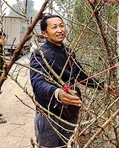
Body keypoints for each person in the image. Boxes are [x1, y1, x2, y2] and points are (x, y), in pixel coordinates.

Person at [30, 14, 112, 147]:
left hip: (70, 113)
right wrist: (57, 93)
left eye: (61, 26)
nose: (60, 30)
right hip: (49, 116)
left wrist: (102, 86)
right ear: (44, 33)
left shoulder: (68, 52)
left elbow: (80, 75)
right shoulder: (39, 54)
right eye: (54, 27)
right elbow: (37, 83)